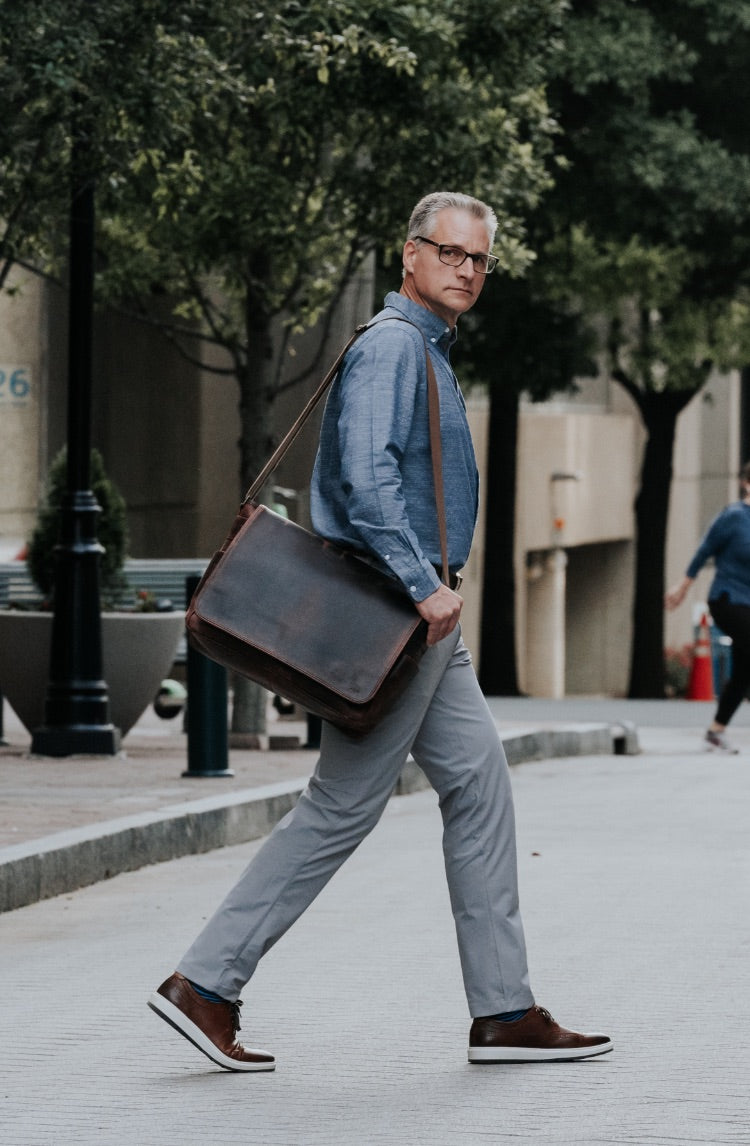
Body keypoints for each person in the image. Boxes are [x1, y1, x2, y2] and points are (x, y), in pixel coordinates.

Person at [148, 191, 612, 1070]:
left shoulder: (426, 350)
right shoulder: (397, 346)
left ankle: (503, 1010)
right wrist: (421, 586)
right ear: (410, 256)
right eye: (450, 253)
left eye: (478, 260)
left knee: (478, 786)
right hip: (404, 613)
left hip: (427, 619)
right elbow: (363, 482)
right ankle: (206, 983)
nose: (466, 270)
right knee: (340, 805)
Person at [665, 460, 750, 754]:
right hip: (727, 599)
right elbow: (705, 549)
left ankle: (715, 731)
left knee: (743, 671)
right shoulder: (734, 516)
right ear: (747, 484)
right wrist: (682, 586)